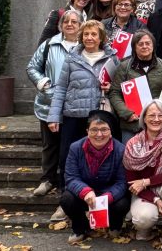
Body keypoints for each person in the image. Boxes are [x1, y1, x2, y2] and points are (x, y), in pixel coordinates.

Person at [47, 20, 120, 221]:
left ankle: (98, 203)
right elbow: (61, 88)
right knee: (66, 159)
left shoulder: (113, 58)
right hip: (73, 115)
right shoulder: (72, 58)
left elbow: (120, 86)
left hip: (98, 118)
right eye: (86, 34)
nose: (89, 38)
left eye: (93, 34)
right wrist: (54, 115)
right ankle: (65, 202)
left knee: (99, 160)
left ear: (101, 37)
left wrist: (109, 87)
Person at [27, 10, 81, 199]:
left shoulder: (84, 47)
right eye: (66, 21)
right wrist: (45, 85)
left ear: (80, 25)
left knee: (70, 146)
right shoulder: (49, 44)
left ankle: (67, 182)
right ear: (60, 25)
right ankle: (47, 179)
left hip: (74, 105)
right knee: (50, 144)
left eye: (74, 21)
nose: (70, 25)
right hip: (48, 103)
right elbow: (33, 67)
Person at [60, 110, 129, 244]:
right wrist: (85, 191)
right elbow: (71, 177)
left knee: (123, 203)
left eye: (104, 130)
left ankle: (115, 226)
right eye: (94, 130)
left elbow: (122, 182)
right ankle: (80, 228)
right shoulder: (75, 148)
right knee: (67, 198)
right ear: (87, 131)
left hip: (108, 192)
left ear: (111, 131)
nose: (99, 134)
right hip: (85, 193)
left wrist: (108, 196)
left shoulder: (120, 149)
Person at [123, 99, 162, 249]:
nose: (156, 119)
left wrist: (146, 181)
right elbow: (132, 182)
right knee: (143, 219)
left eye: (160, 116)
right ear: (144, 118)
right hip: (144, 192)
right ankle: (146, 226)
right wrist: (155, 199)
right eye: (151, 115)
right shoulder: (132, 143)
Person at [108, 30, 162, 143]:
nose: (144, 46)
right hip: (132, 124)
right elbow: (114, 93)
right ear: (134, 47)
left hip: (157, 123)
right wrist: (127, 113)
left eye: (148, 43)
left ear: (153, 45)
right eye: (140, 44)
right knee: (130, 158)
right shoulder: (124, 67)